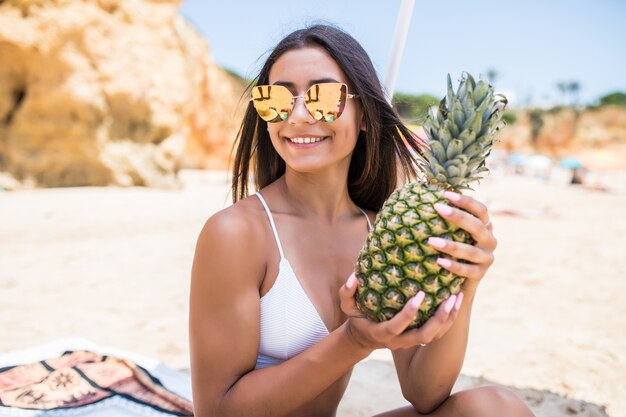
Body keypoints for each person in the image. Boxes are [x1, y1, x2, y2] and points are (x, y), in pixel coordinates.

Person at [189, 24, 534, 417]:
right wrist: (352, 341)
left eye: (323, 97)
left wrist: (464, 280)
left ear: (366, 115)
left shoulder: (383, 231)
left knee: (497, 409)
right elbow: (216, 411)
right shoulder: (236, 232)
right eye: (277, 99)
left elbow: (424, 393)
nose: (298, 115)